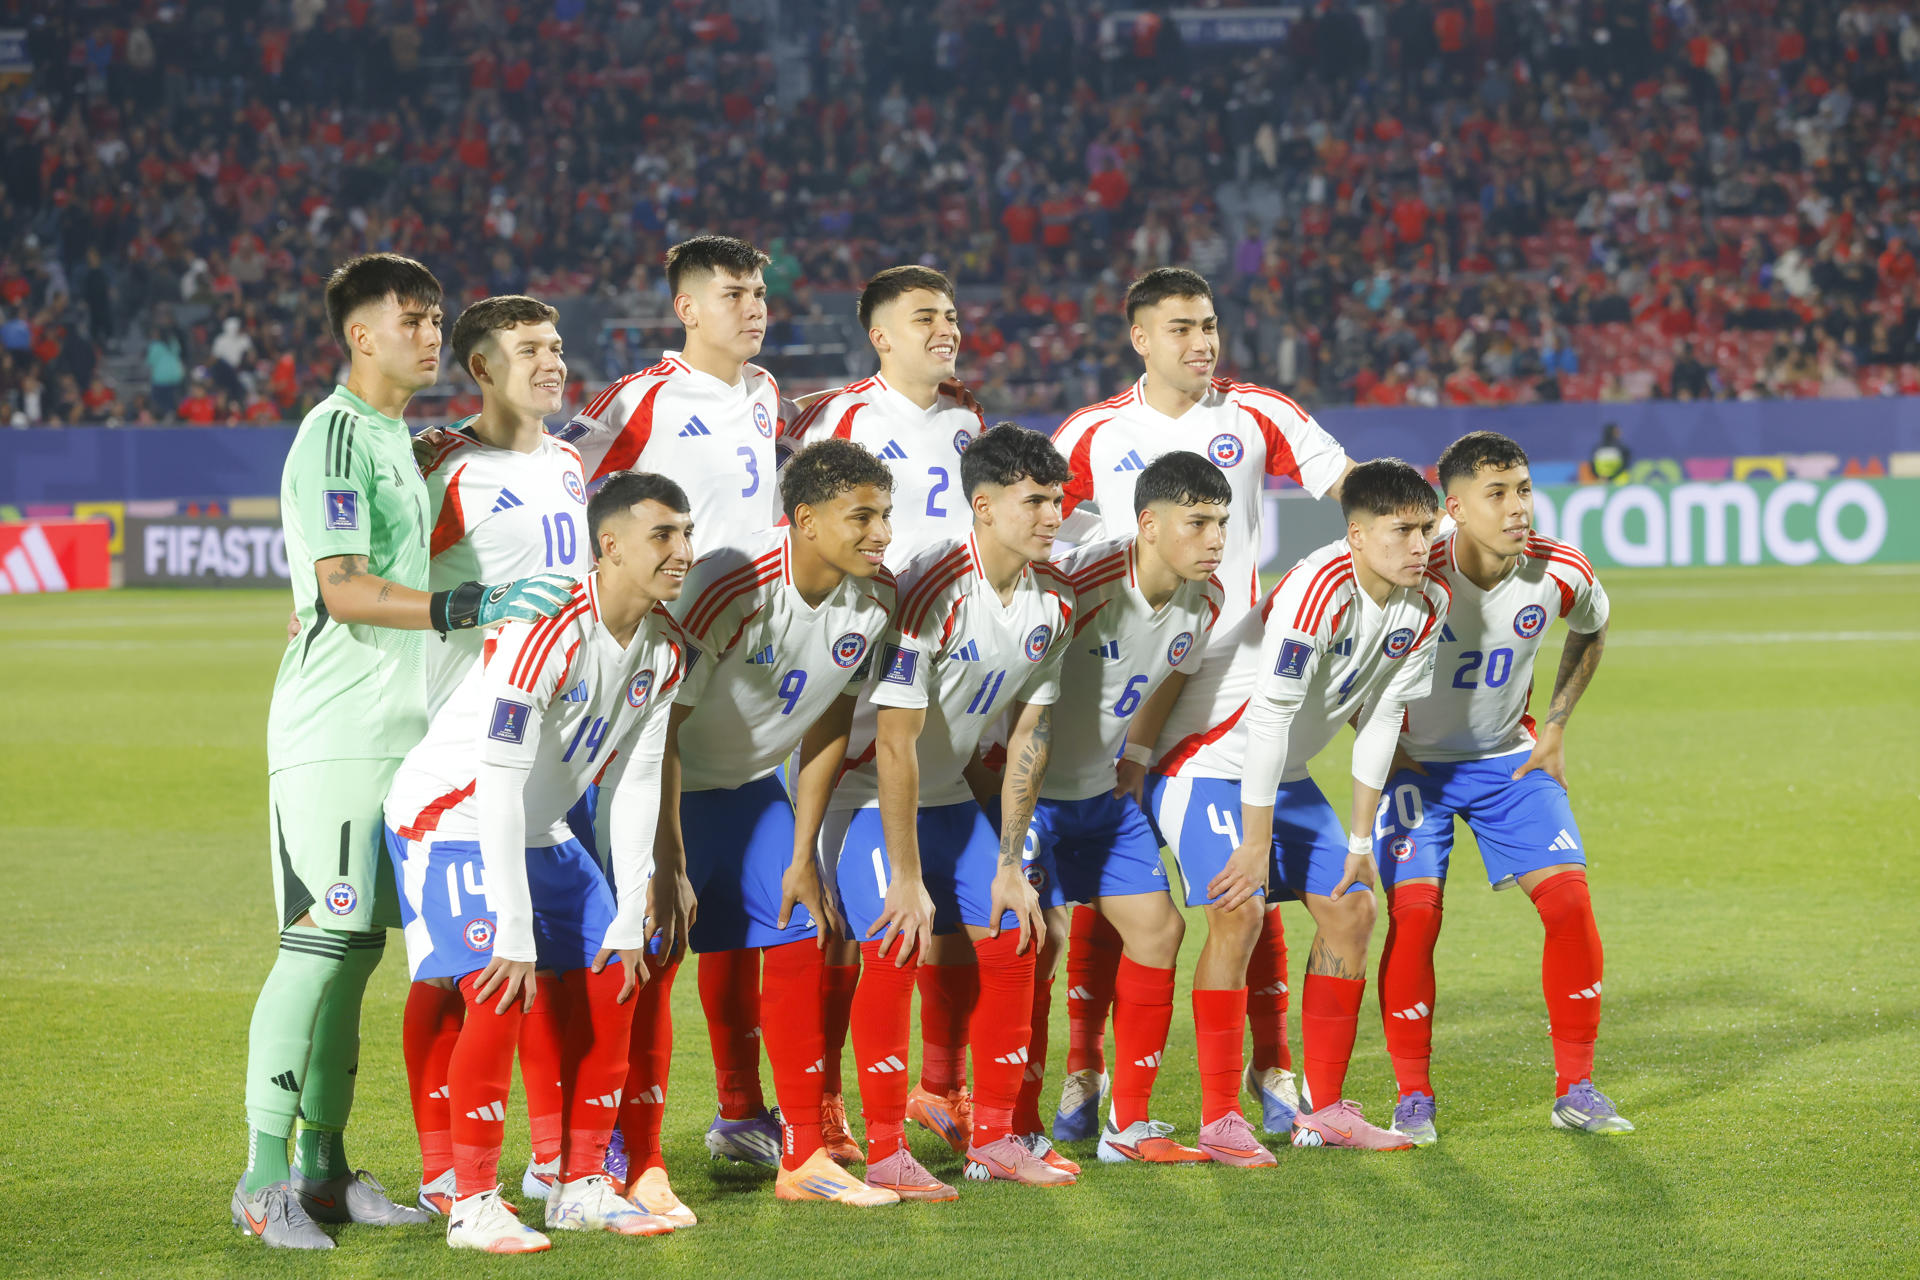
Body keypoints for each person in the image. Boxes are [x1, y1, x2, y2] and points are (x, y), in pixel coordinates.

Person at [235, 253, 574, 1249]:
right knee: (319, 941)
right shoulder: (336, 434)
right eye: (412, 319)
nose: (430, 333)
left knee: (362, 951)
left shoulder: (394, 438)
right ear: (360, 334)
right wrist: (461, 603)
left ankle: (325, 1167)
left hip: (404, 731)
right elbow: (340, 584)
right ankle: (262, 1180)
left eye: (435, 318)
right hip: (336, 730)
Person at [1049, 266, 1353, 1143]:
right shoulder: (1095, 434)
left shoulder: (1257, 414)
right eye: (1181, 327)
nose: (1202, 342)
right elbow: (1042, 535)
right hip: (1127, 688)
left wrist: (1425, 527)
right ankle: (1086, 1068)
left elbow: (1348, 485)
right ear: (1140, 337)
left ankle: (1272, 1066)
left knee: (1244, 891)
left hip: (1238, 685)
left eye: (1210, 324)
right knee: (1110, 882)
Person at [382, 471, 698, 1252]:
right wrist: (516, 929)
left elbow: (634, 783)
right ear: (611, 545)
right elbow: (497, 776)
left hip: (542, 827)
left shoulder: (664, 647)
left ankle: (580, 1185)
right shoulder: (549, 623)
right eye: (664, 535)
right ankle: (473, 1204)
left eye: (687, 533)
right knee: (498, 983)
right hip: (450, 817)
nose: (683, 551)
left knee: (621, 969)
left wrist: (632, 907)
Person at [553, 234, 789, 1169]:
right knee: (644, 907)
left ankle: (741, 1111)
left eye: (760, 292)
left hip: (742, 675)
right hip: (649, 678)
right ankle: (605, 1132)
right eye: (733, 293)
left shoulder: (769, 395)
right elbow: (561, 477)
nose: (753, 306)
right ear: (686, 308)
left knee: (739, 904)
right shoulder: (641, 397)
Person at [1151, 458, 1451, 1151]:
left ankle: (1329, 1108)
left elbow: (1381, 717)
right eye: (1400, 531)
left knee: (1353, 905)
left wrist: (1357, 839)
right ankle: (1222, 1116)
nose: (1418, 546)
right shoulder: (1319, 589)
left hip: (1282, 774)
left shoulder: (1428, 602)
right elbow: (1269, 718)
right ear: (1355, 534)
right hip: (1204, 766)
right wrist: (1255, 844)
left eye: (1425, 530)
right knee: (1239, 907)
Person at [820, 423, 1077, 1192]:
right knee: (898, 941)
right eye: (1035, 501)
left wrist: (1009, 862)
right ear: (985, 505)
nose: (1052, 516)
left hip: (948, 801)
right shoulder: (927, 590)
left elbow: (1030, 732)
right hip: (865, 796)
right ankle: (886, 1148)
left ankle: (994, 1139)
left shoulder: (1055, 601)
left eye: (1059, 500)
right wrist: (906, 875)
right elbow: (894, 743)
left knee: (1015, 933)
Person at [655, 439, 906, 1208]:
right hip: (649, 787)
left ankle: (803, 1157)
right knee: (646, 959)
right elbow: (660, 724)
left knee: (803, 923)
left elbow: (832, 717)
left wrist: (803, 849)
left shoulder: (877, 597)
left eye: (886, 515)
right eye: (862, 516)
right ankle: (623, 1161)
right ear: (804, 521)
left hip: (749, 784)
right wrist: (665, 861)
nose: (882, 533)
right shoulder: (731, 585)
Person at [778, 264, 984, 1163]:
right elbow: (800, 529)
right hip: (854, 662)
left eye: (950, 314)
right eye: (924, 317)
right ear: (881, 334)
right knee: (841, 918)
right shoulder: (842, 418)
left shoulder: (968, 421)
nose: (945, 329)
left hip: (947, 663)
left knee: (959, 903)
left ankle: (940, 1086)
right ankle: (818, 1102)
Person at [1373, 431, 1631, 1144]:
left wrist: (1554, 726)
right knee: (1416, 917)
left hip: (1509, 764)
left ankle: (1576, 1088)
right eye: (1498, 494)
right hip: (1414, 771)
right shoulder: (1411, 568)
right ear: (1454, 507)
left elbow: (1592, 627)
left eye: (1522, 489)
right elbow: (1349, 652)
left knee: (1571, 903)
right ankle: (1413, 1095)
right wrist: (1380, 739)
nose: (1518, 507)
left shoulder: (1560, 569)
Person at [399, 295, 597, 1215]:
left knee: (552, 962)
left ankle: (556, 1160)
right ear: (480, 368)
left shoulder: (567, 463)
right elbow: (367, 570)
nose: (552, 362)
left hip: (547, 744)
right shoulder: (442, 467)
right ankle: (446, 1170)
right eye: (529, 350)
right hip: (454, 741)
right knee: (453, 969)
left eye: (556, 346)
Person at [1023, 451, 1254, 1165]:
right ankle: (1008, 1124)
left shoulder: (1205, 598)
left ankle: (1128, 1125)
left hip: (1102, 793)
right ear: (1149, 525)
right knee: (1027, 949)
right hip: (1030, 796)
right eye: (1199, 522)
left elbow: (1169, 676)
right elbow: (1011, 695)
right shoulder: (1079, 585)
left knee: (1158, 931)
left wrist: (1137, 757)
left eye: (1221, 521)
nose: (1216, 538)